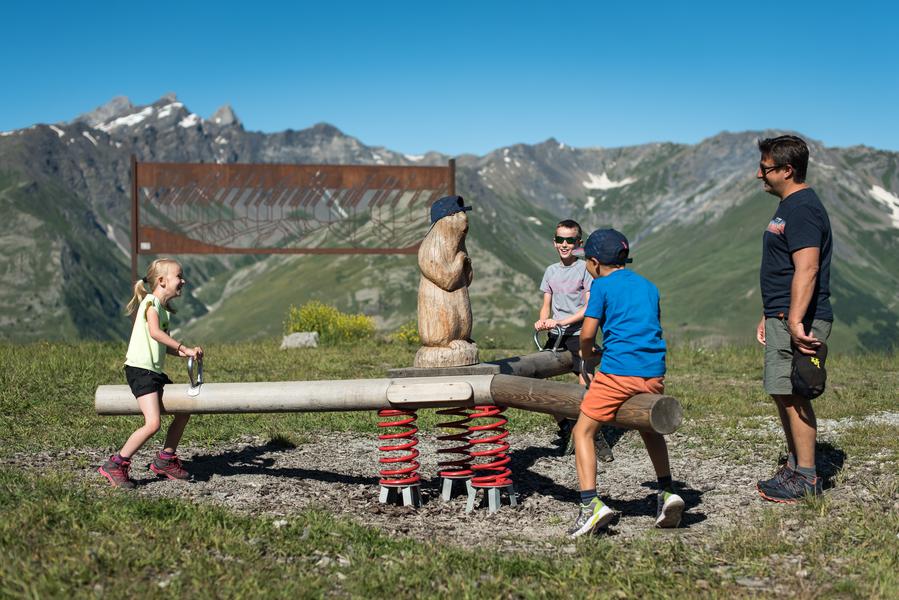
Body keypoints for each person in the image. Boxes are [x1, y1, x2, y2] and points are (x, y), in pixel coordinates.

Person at [568, 229, 684, 537]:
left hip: (618, 373)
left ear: (594, 262)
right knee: (650, 427)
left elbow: (588, 333)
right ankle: (667, 491)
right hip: (653, 373)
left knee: (583, 431)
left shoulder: (602, 286)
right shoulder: (649, 286)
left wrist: (587, 356)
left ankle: (589, 504)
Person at [754, 135, 833, 503]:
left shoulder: (802, 208)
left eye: (766, 168)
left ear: (787, 170)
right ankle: (795, 464)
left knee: (795, 394)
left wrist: (795, 322)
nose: (759, 174)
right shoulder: (790, 206)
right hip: (782, 314)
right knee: (781, 390)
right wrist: (768, 313)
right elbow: (783, 269)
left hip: (796, 318)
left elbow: (807, 268)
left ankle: (806, 477)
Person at [98, 258, 204, 489]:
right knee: (153, 423)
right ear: (162, 281)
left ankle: (166, 458)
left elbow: (161, 344)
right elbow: (156, 333)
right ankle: (116, 464)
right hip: (141, 371)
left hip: (153, 372)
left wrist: (185, 354)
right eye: (179, 276)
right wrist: (182, 347)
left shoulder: (163, 310)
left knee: (183, 411)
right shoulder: (150, 304)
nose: (183, 280)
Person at [535, 220, 614, 461]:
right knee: (537, 383)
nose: (565, 244)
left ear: (579, 244)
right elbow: (546, 305)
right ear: (554, 242)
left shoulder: (584, 270)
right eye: (560, 240)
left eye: (570, 240)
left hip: (580, 334)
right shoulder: (550, 271)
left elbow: (589, 307)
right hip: (556, 336)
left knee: (585, 387)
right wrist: (543, 321)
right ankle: (567, 426)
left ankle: (595, 437)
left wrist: (562, 321)